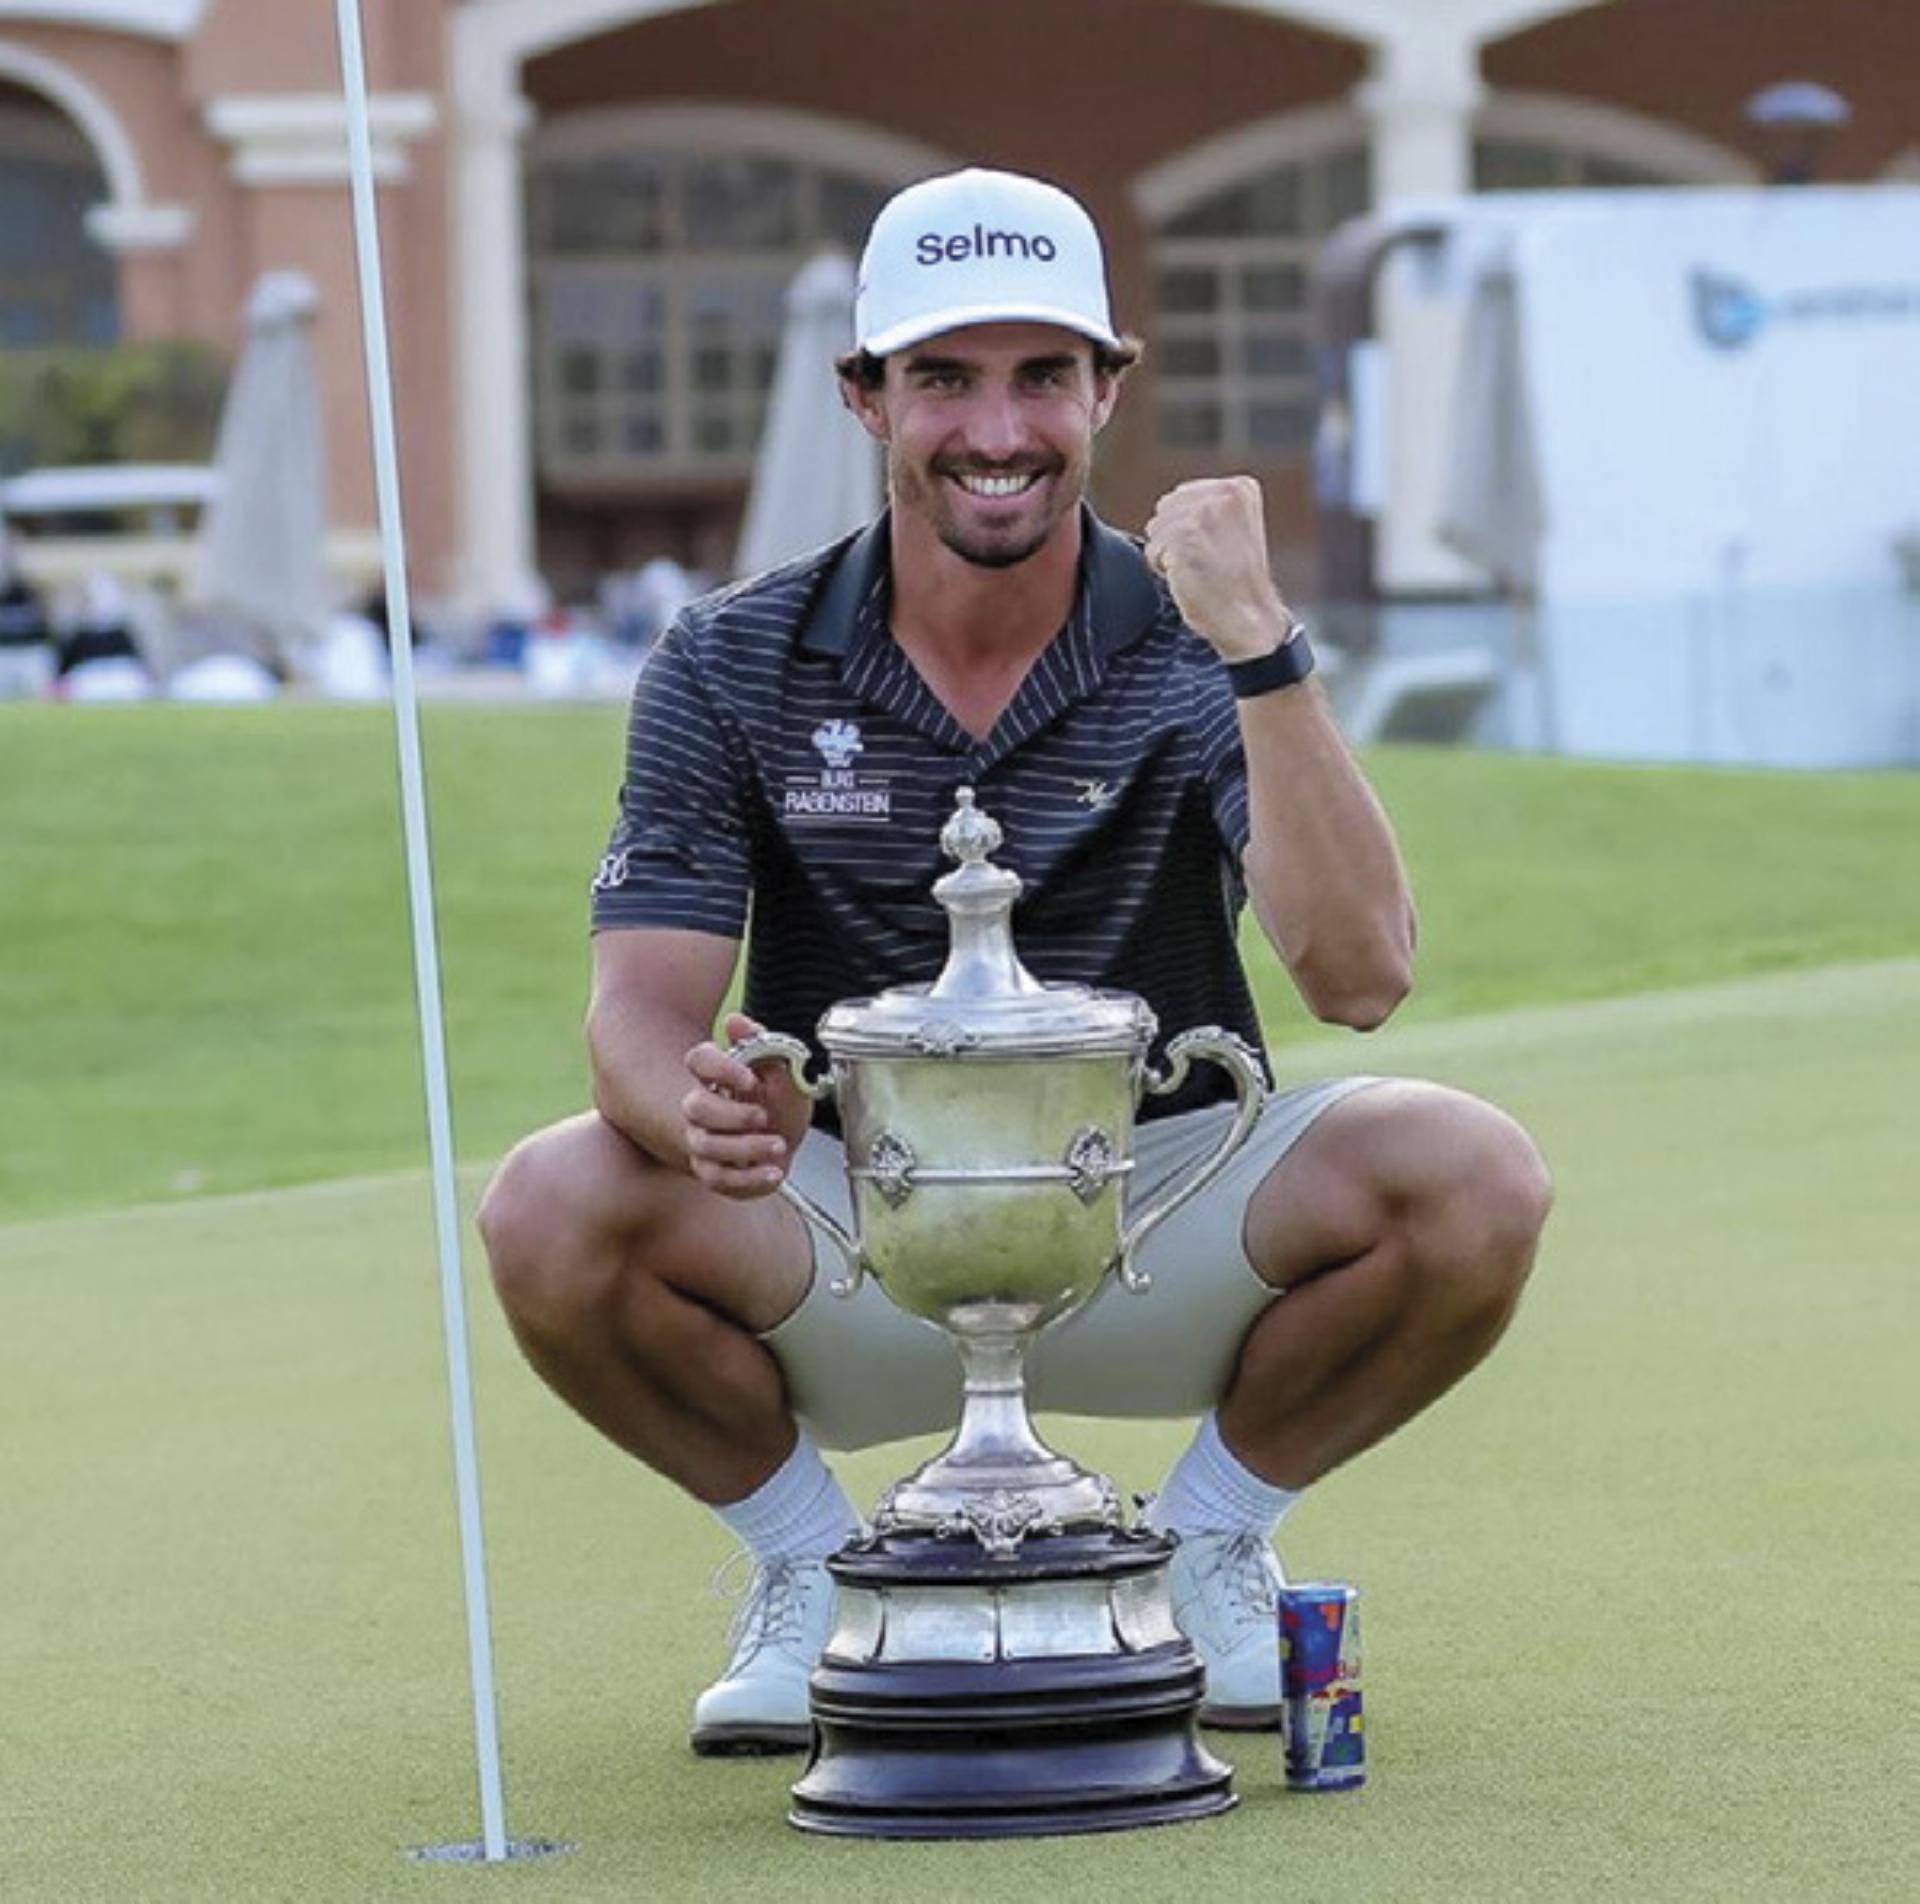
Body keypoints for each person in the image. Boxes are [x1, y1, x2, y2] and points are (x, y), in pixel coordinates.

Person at [479, 168, 1552, 1755]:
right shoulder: (730, 655)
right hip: (855, 1221)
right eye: (945, 379)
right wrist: (689, 1105)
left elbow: (1360, 975)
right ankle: (813, 1570)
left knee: (1470, 1174)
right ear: (867, 398)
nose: (999, 428)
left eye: (1043, 376)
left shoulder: (1202, 640)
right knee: (549, 1201)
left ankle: (1204, 1546)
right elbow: (637, 1012)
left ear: (1108, 389)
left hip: (1158, 1205)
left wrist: (1262, 647)